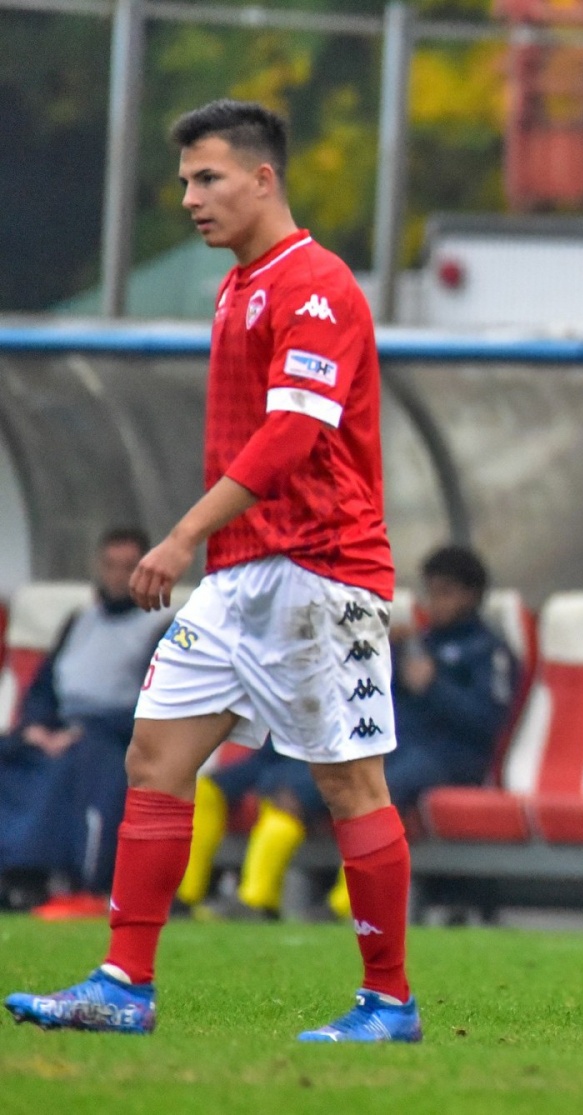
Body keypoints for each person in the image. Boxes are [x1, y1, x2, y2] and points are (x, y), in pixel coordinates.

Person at [6, 99, 418, 1043]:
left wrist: (181, 533)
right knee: (155, 754)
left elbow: (295, 431)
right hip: (242, 579)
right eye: (185, 180)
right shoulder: (240, 286)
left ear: (263, 178)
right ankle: (124, 982)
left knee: (352, 786)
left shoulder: (314, 286)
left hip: (322, 575)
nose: (191, 197)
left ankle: (390, 1001)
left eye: (209, 178)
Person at [187, 545, 515, 921]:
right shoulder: (413, 643)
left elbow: (486, 723)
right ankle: (232, 899)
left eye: (445, 592)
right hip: (387, 745)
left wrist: (434, 686)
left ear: (471, 595)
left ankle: (344, 905)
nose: (434, 603)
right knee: (272, 785)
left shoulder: (489, 651)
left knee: (372, 790)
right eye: (430, 591)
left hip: (450, 757)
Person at [0, 529, 170, 915]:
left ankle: (46, 875)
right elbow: (43, 687)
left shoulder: (159, 628)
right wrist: (35, 727)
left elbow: (154, 703)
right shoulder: (78, 623)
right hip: (57, 727)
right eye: (110, 566)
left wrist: (83, 732)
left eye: (128, 568)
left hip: (112, 734)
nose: (117, 576)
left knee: (75, 767)